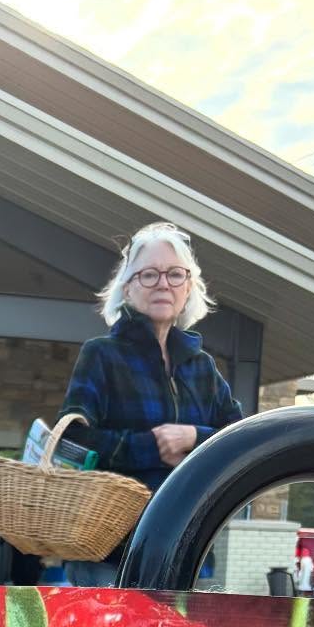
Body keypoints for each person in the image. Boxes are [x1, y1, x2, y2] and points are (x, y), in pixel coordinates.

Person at [58, 221, 242, 586]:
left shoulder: (201, 367)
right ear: (127, 288)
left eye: (175, 274)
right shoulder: (102, 355)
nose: (163, 283)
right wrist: (153, 447)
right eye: (149, 274)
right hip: (109, 556)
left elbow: (240, 439)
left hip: (189, 549)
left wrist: (192, 438)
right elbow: (72, 442)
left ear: (189, 287)